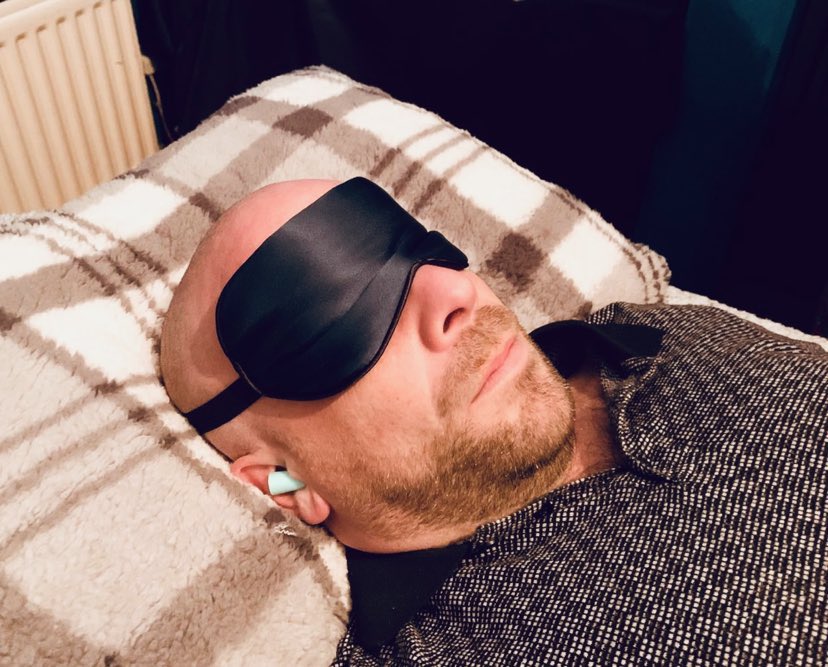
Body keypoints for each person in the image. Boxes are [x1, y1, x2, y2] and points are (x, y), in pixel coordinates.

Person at [160, 178, 828, 665]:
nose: (457, 289)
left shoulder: (652, 330)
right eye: (333, 318)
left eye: (421, 249)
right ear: (284, 483)